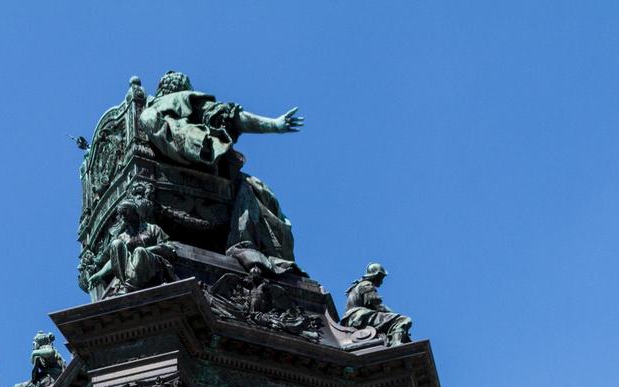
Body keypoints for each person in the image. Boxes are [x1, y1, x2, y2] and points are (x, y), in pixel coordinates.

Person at [137, 71, 303, 261]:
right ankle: (247, 244)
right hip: (207, 181)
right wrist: (274, 125)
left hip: (155, 181)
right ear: (184, 87)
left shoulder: (145, 114)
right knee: (261, 193)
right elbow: (231, 118)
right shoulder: (185, 100)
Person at [86, 198, 176, 295]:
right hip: (128, 267)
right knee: (116, 243)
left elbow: (167, 247)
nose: (122, 217)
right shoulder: (123, 236)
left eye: (124, 212)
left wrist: (147, 250)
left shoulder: (152, 228)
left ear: (134, 212)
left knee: (139, 251)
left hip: (152, 264)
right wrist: (100, 274)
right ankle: (126, 283)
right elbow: (115, 259)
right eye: (120, 214)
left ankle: (129, 287)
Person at [342, 264, 413, 345]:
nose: (382, 281)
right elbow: (377, 305)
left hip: (356, 317)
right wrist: (394, 315)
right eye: (381, 277)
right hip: (359, 317)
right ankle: (396, 344)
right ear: (376, 276)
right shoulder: (367, 285)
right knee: (402, 320)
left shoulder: (359, 285)